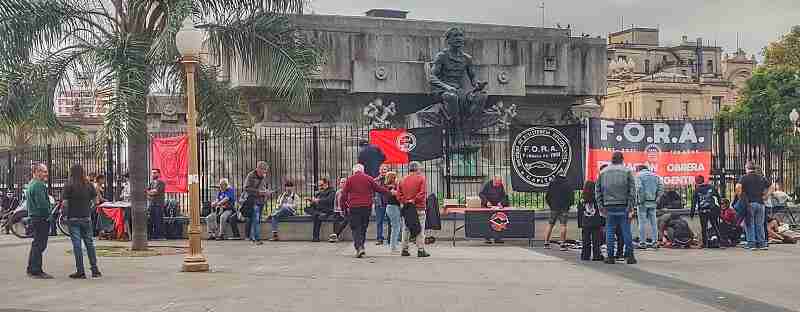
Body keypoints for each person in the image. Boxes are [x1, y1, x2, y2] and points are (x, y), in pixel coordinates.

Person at [596, 152, 637, 264]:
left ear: (612, 159)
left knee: (609, 231)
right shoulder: (627, 171)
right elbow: (632, 191)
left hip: (608, 206)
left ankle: (610, 257)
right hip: (624, 206)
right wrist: (630, 207)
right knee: (626, 231)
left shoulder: (603, 172)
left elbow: (597, 191)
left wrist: (601, 207)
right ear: (622, 159)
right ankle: (630, 256)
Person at [62, 164, 102, 279]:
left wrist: (65, 215)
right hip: (86, 217)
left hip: (73, 218)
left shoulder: (68, 185)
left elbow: (65, 203)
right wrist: (89, 210)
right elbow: (96, 201)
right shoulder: (88, 184)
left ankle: (80, 271)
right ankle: (95, 269)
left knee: (77, 245)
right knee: (89, 243)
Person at [341, 164, 388, 258]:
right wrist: (390, 192)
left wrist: (344, 208)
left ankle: (359, 247)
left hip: (354, 207)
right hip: (366, 207)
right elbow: (378, 189)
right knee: (363, 227)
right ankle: (361, 246)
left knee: (355, 228)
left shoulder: (350, 179)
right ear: (363, 170)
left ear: (354, 171)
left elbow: (343, 195)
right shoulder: (368, 178)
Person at [398, 161, 430, 258]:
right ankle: (420, 250)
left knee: (406, 228)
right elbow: (422, 193)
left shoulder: (402, 179)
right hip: (418, 207)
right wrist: (414, 200)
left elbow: (398, 194)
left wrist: (405, 201)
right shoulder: (421, 178)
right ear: (418, 169)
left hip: (407, 208)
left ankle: (404, 249)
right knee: (420, 228)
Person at [26, 164, 53, 279]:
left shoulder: (31, 184)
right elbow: (42, 204)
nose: (46, 174)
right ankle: (36, 270)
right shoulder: (38, 185)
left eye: (46, 171)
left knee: (36, 243)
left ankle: (31, 268)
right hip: (41, 217)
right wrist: (49, 214)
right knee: (40, 244)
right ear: (37, 172)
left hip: (34, 216)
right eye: (43, 171)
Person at [739, 163, 770, 250]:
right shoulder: (761, 177)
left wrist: (740, 196)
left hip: (750, 204)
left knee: (749, 223)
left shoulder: (744, 177)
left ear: (747, 168)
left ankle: (751, 243)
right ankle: (762, 243)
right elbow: (771, 186)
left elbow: (738, 187)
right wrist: (766, 195)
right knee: (759, 224)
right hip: (761, 203)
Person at [636, 165, 663, 249]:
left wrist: (640, 200)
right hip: (653, 203)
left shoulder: (638, 176)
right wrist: (657, 198)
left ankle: (642, 243)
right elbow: (661, 188)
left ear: (639, 169)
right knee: (654, 223)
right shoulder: (656, 176)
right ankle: (655, 242)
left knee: (642, 223)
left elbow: (639, 188)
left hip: (643, 203)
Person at [544, 174, 574, 251]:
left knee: (550, 225)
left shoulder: (552, 183)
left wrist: (551, 205)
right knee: (563, 225)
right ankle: (562, 244)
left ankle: (546, 243)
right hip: (564, 208)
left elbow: (547, 196)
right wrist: (569, 205)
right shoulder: (568, 184)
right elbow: (571, 197)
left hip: (554, 207)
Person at [243, 161, 270, 245]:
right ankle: (257, 239)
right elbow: (246, 188)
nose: (265, 172)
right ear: (258, 169)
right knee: (256, 219)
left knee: (257, 220)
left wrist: (266, 192)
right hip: (253, 201)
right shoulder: (251, 175)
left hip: (261, 201)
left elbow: (265, 187)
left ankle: (253, 237)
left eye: (266, 170)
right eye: (264, 170)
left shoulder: (264, 177)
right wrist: (259, 192)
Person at [691, 175, 721, 248]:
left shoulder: (697, 190)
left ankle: (705, 243)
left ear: (696, 182)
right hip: (712, 209)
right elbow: (718, 196)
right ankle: (719, 241)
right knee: (715, 225)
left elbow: (694, 203)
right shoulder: (711, 187)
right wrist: (719, 206)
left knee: (704, 227)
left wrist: (692, 213)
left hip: (702, 211)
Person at [479, 175, 510, 244]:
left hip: (496, 206)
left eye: (499, 183)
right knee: (487, 221)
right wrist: (486, 202)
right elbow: (481, 194)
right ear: (494, 180)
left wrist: (501, 203)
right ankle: (487, 238)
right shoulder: (487, 184)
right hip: (488, 206)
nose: (497, 185)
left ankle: (497, 238)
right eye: (496, 183)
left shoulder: (500, 185)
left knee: (498, 221)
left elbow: (504, 196)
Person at [578, 181, 604, 261]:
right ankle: (597, 255)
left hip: (585, 222)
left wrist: (580, 224)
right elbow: (601, 210)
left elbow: (580, 213)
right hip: (596, 222)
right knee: (596, 240)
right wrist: (602, 222)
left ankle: (585, 255)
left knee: (586, 240)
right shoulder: (597, 198)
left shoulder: (582, 199)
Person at [308, 178, 336, 242]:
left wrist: (318, 200)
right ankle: (319, 214)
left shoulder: (332, 191)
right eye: (319, 185)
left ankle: (315, 237)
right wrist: (312, 202)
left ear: (326, 184)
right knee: (308, 209)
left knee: (316, 216)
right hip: (319, 210)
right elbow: (314, 203)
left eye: (321, 185)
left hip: (327, 209)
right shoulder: (319, 192)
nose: (320, 187)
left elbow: (329, 200)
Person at [383, 172, 403, 252]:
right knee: (396, 227)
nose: (397, 179)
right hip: (393, 208)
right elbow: (397, 195)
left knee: (395, 226)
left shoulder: (387, 187)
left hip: (390, 208)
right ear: (393, 178)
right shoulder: (391, 188)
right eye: (395, 177)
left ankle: (393, 245)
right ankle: (393, 246)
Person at [146, 169, 166, 240]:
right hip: (152, 204)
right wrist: (150, 192)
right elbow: (146, 192)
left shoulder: (161, 183)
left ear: (159, 174)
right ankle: (152, 236)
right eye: (152, 173)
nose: (153, 174)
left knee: (158, 220)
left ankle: (160, 236)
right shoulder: (151, 183)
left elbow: (155, 192)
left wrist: (150, 192)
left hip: (159, 204)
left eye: (155, 173)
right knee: (152, 220)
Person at [329, 177, 349, 243]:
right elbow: (336, 203)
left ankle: (336, 234)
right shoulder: (338, 192)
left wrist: (343, 211)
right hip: (338, 210)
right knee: (335, 219)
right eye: (341, 182)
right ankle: (335, 235)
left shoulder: (349, 191)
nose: (342, 184)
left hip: (347, 210)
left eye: (344, 182)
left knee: (346, 219)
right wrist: (337, 211)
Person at [373, 165, 389, 246]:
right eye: (382, 169)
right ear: (379, 171)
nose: (383, 171)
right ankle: (379, 238)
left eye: (385, 169)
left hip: (389, 203)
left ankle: (391, 238)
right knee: (379, 222)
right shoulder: (375, 180)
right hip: (379, 203)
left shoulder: (390, 180)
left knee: (390, 221)